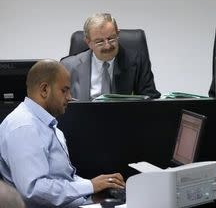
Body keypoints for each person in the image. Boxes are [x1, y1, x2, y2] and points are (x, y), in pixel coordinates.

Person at [0, 60, 126, 208]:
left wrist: (93, 190)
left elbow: (64, 179)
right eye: (64, 90)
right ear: (44, 90)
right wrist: (90, 186)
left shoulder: (45, 125)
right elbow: (34, 190)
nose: (69, 97)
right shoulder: (24, 127)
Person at [61, 13, 160, 101]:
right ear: (88, 42)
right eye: (100, 41)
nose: (107, 46)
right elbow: (58, 103)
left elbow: (150, 99)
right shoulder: (68, 66)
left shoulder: (137, 62)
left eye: (111, 38)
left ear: (118, 34)